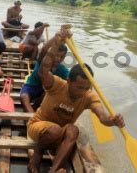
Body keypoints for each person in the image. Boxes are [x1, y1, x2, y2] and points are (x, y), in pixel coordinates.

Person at [27, 25, 125, 173]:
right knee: (54, 130)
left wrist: (113, 121)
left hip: (61, 133)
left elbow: (102, 116)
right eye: (80, 87)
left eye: (87, 88)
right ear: (69, 81)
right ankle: (38, 154)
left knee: (73, 130)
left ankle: (53, 169)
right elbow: (43, 70)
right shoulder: (58, 85)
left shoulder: (88, 96)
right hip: (39, 127)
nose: (83, 92)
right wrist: (56, 43)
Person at [20, 36, 69, 113]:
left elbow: (71, 81)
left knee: (49, 92)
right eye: (56, 55)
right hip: (32, 86)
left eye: (62, 56)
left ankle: (35, 108)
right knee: (24, 97)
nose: (58, 59)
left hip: (45, 92)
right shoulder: (43, 61)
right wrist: (58, 35)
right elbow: (44, 50)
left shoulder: (62, 70)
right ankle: (31, 114)